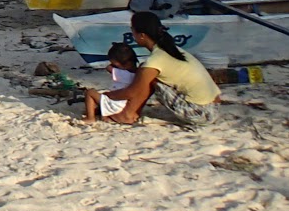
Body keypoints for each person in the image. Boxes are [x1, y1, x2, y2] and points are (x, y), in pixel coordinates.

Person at [83, 11, 220, 127]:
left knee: (148, 75)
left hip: (199, 114)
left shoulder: (155, 60)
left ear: (141, 35)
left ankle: (127, 114)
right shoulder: (173, 50)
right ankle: (130, 112)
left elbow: (131, 92)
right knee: (145, 72)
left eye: (133, 31)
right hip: (213, 107)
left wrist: (106, 96)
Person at [83, 42, 140, 122]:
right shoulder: (136, 74)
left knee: (90, 92)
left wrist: (113, 65)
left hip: (115, 104)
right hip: (124, 104)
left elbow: (108, 68)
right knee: (101, 95)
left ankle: (90, 118)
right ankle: (104, 115)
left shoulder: (122, 73)